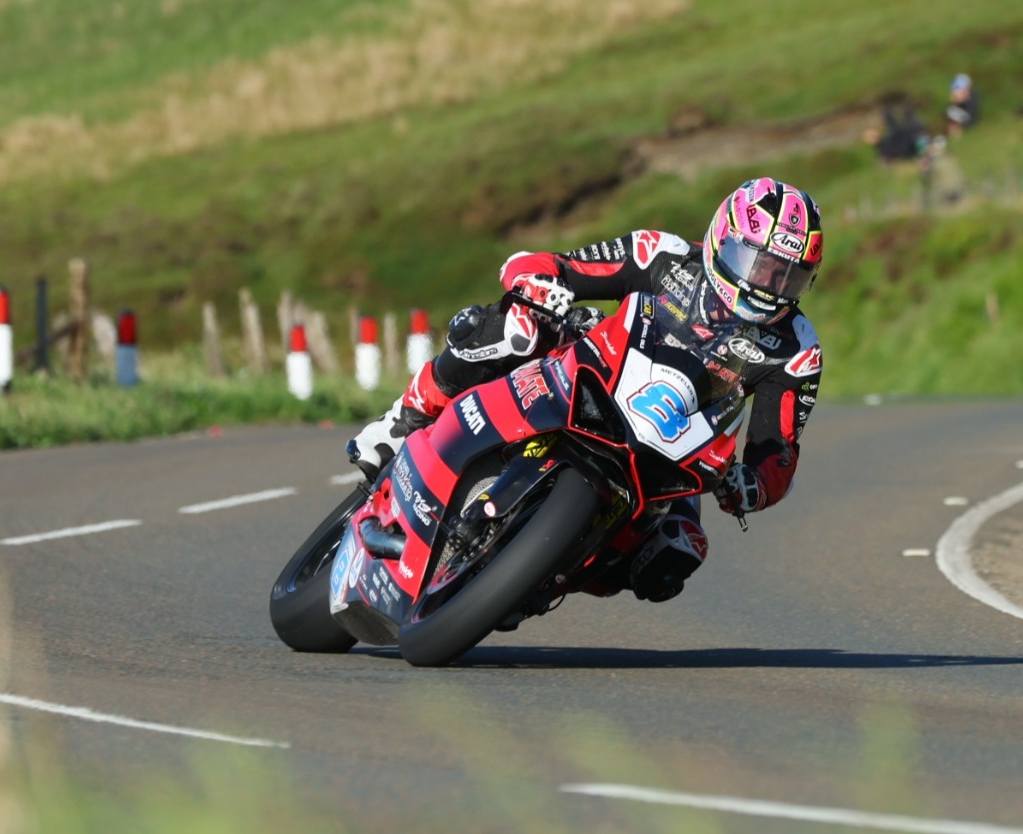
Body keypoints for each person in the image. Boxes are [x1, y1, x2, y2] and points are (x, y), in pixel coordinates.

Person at [347, 177, 825, 605]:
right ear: (724, 239)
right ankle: (403, 419)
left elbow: (778, 450)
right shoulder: (663, 255)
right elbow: (555, 265)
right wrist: (540, 287)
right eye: (760, 266)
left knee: (677, 550)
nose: (770, 286)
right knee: (510, 329)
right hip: (595, 367)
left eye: (788, 276)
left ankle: (544, 572)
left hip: (672, 444)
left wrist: (755, 485)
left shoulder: (797, 350)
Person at [946, 73, 980, 137]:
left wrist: (956, 102)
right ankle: (954, 134)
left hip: (970, 120)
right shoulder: (973, 94)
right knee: (950, 112)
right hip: (967, 117)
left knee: (951, 112)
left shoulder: (972, 95)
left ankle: (956, 135)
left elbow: (970, 110)